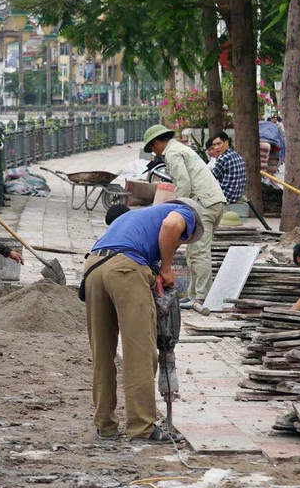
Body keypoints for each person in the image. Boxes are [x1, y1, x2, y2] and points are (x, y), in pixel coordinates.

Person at [83, 198, 203, 443]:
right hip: (124, 268)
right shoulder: (184, 213)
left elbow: (130, 246)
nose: (181, 243)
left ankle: (105, 425)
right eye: (185, 240)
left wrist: (154, 272)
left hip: (94, 267)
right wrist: (167, 268)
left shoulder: (137, 217)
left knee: (102, 352)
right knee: (140, 352)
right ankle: (142, 428)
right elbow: (171, 227)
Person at [142, 124, 226, 306]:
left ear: (157, 142)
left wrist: (179, 210)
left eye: (153, 148)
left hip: (203, 203)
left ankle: (202, 297)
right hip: (213, 201)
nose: (154, 152)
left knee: (199, 253)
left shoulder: (172, 153)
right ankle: (193, 294)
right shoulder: (182, 148)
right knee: (193, 251)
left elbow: (184, 183)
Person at [205, 131, 247, 204]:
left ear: (226, 143)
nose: (216, 147)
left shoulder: (222, 159)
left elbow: (210, 179)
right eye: (214, 145)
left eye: (219, 144)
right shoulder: (237, 155)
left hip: (226, 197)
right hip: (237, 194)